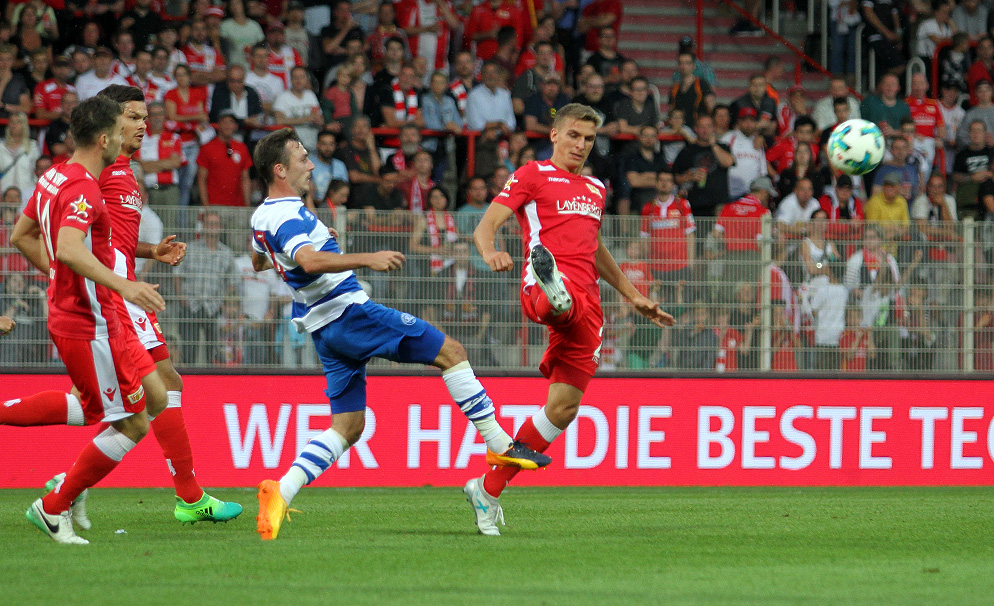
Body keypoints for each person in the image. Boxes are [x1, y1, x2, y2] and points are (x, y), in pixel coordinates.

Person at [250, 127, 550, 540]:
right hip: (349, 313)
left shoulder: (262, 215)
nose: (312, 165)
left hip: (324, 329)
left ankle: (281, 492)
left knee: (348, 426)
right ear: (280, 169)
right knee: (451, 352)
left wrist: (319, 242)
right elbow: (309, 261)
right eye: (303, 158)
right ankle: (498, 442)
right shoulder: (289, 214)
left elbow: (261, 260)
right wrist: (366, 258)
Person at [463, 103, 674, 536]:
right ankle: (553, 287)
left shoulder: (595, 187)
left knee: (563, 408)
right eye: (574, 135)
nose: (581, 144)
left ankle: (488, 489)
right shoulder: (532, 175)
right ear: (555, 135)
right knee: (559, 302)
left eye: (589, 139)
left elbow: (594, 248)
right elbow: (486, 225)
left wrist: (634, 295)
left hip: (589, 305)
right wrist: (490, 252)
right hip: (540, 294)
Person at [4, 95, 168, 544]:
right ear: (104, 139)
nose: (127, 136)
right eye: (120, 129)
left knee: (119, 405)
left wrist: (61, 276)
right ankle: (55, 504)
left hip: (80, 314)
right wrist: (123, 286)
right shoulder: (84, 189)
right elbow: (70, 248)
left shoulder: (54, 176)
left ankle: (66, 490)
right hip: (89, 322)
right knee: (131, 421)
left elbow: (21, 235)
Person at [90, 85, 244, 523]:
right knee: (138, 396)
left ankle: (70, 487)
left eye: (145, 117)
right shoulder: (97, 169)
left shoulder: (127, 170)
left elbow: (113, 239)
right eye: (133, 117)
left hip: (125, 287)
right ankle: (189, 497)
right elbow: (68, 235)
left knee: (140, 394)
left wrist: (151, 251)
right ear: (109, 120)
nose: (143, 125)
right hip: (114, 292)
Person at [196, 111, 253, 207]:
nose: (228, 126)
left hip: (237, 205)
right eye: (224, 122)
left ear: (235, 126)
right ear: (218, 125)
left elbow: (245, 179)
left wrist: (247, 205)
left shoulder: (242, 148)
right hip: (214, 205)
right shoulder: (207, 148)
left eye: (231, 122)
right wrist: (206, 206)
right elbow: (202, 179)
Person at [0, 111, 42, 208]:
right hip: (5, 193)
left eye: (18, 122)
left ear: (24, 125)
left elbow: (37, 171)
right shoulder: (1, 147)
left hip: (26, 193)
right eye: (12, 122)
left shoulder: (33, 146)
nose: (14, 125)